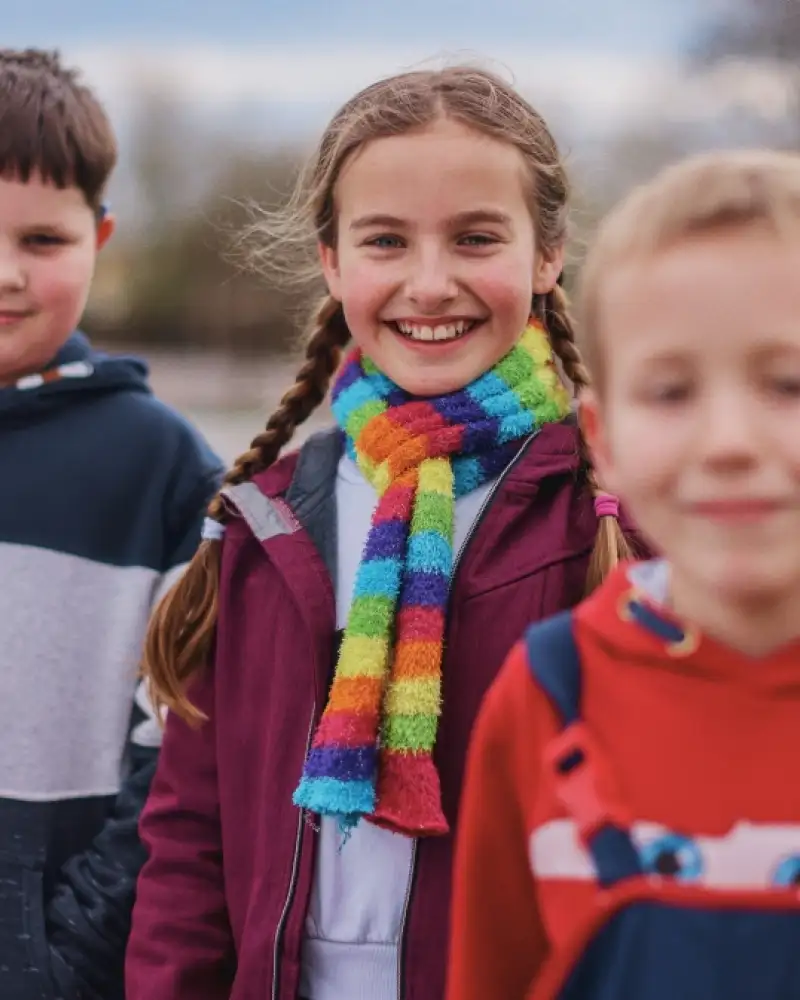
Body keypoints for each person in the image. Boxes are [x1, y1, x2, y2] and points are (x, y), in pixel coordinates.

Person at [125, 66, 642, 1000]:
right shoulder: (260, 523)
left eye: (476, 237)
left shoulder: (614, 522)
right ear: (332, 261)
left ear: (547, 256)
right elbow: (188, 848)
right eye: (386, 241)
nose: (430, 284)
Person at [447, 148, 800, 1000]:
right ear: (601, 441)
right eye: (671, 393)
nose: (729, 442)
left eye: (789, 384)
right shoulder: (548, 693)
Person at [0, 48, 224, 1000]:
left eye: (43, 241)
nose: (6, 274)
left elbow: (174, 762)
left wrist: (60, 963)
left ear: (100, 238)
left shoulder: (164, 471)